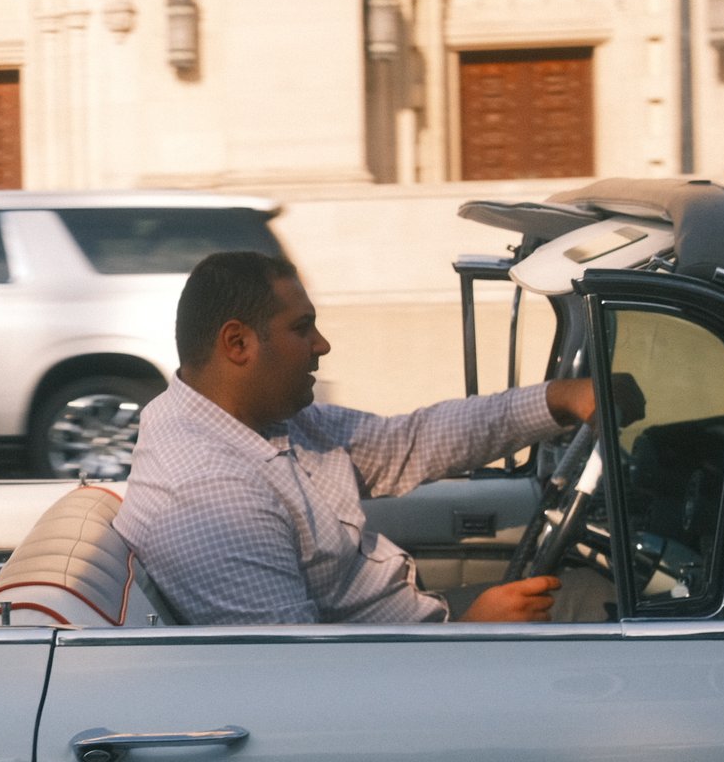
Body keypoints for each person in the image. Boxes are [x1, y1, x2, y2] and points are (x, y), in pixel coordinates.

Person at [116, 250, 607, 626]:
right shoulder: (207, 494)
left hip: (414, 634)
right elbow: (299, 680)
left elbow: (408, 441)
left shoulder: (266, 422)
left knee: (595, 596)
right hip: (403, 666)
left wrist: (560, 398)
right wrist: (471, 635)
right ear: (238, 344)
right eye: (302, 328)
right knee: (622, 612)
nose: (321, 345)